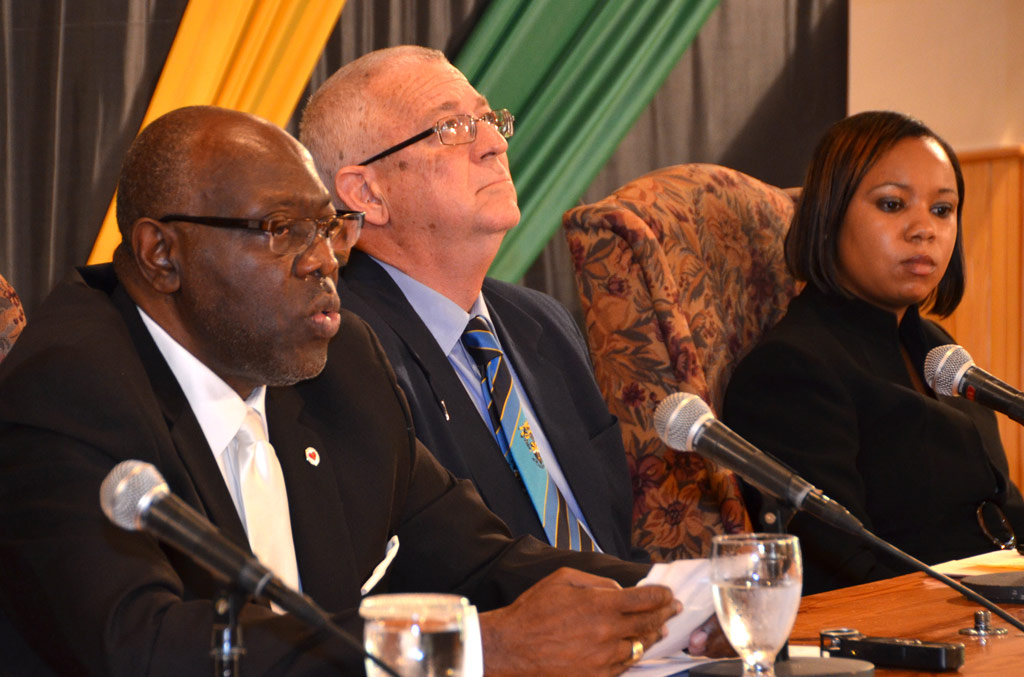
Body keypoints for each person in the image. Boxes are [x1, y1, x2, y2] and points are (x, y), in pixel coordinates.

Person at [0, 105, 683, 676]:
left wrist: (678, 602)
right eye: (279, 229)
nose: (323, 257)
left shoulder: (343, 363)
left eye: (328, 227)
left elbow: (480, 559)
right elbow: (142, 647)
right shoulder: (68, 389)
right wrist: (480, 648)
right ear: (161, 254)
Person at [299, 45, 643, 561]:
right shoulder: (340, 348)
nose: (493, 144)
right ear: (367, 195)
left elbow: (615, 542)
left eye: (487, 119)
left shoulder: (543, 323)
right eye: (451, 128)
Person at [723, 110, 1024, 594]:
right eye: (892, 204)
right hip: (917, 639)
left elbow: (1002, 511)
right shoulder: (791, 370)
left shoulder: (941, 353)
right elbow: (845, 566)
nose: (924, 229)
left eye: (942, 210)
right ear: (830, 214)